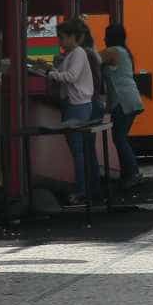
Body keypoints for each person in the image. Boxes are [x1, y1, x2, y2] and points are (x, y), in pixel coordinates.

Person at [46, 20, 100, 205]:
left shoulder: (77, 53)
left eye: (62, 37)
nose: (59, 41)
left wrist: (51, 74)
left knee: (78, 149)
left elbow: (70, 76)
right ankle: (85, 189)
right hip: (77, 104)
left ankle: (82, 190)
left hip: (77, 105)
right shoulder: (72, 54)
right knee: (79, 149)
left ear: (72, 37)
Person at [100, 24, 145, 188]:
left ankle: (132, 173)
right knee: (120, 137)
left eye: (105, 36)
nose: (103, 39)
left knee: (119, 138)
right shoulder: (125, 52)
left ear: (111, 37)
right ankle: (128, 173)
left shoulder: (112, 51)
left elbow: (91, 61)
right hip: (131, 98)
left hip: (122, 101)